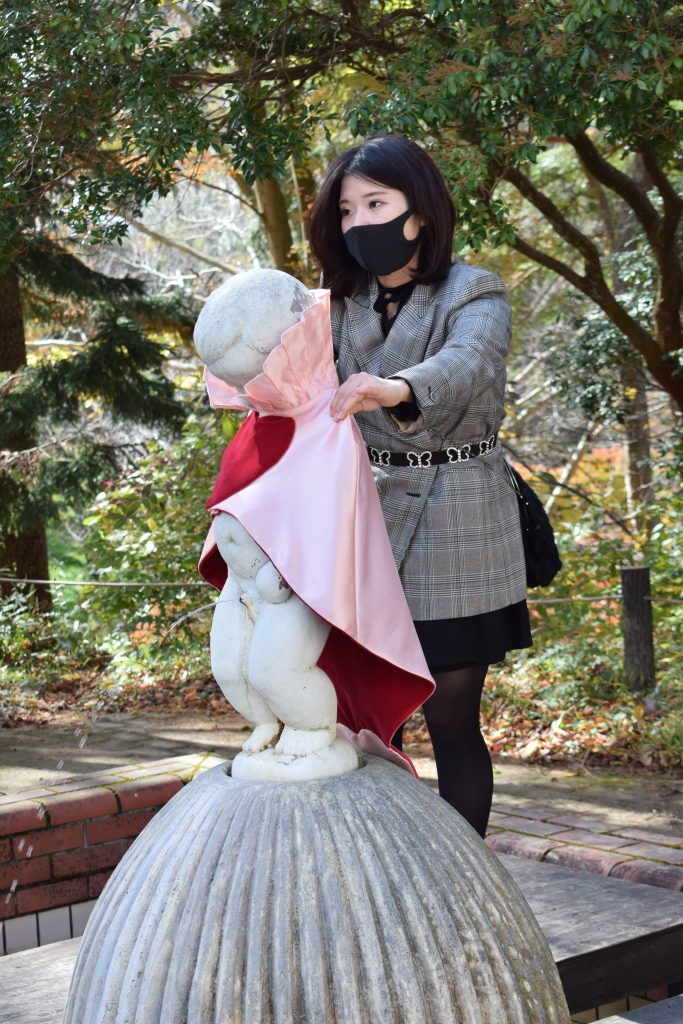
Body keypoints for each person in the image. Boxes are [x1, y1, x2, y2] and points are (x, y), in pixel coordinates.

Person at [308, 134, 532, 839]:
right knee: (377, 716)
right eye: (346, 210)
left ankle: (463, 875)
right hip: (366, 519)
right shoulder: (340, 300)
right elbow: (292, 380)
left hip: (458, 514)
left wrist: (395, 386)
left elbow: (467, 363)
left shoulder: (474, 289)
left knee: (451, 716)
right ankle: (393, 870)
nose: (357, 223)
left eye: (375, 203)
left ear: (420, 212)